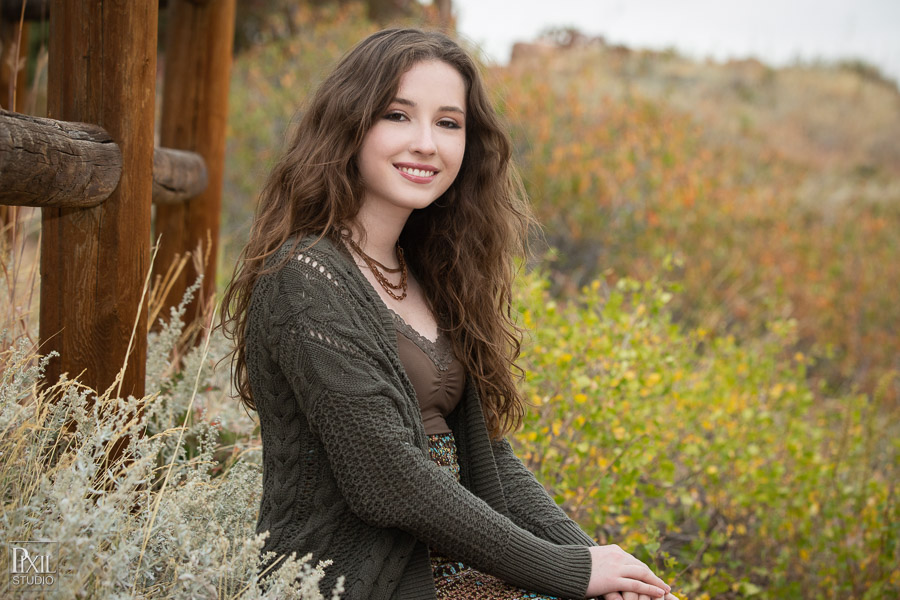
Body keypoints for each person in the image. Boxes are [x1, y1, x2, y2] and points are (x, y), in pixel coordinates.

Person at [221, 28, 677, 600]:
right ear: (350, 124)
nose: (426, 143)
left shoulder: (431, 273)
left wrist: (599, 564)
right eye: (397, 115)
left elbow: (489, 460)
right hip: (354, 581)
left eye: (448, 123)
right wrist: (568, 571)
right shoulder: (304, 277)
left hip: (457, 570)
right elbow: (387, 479)